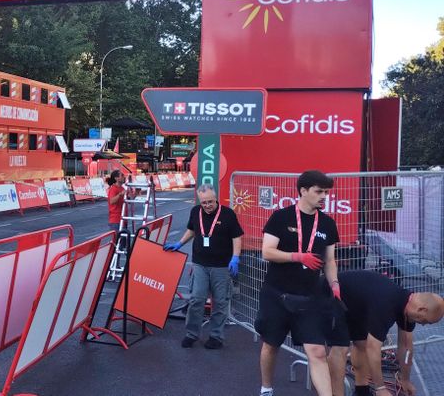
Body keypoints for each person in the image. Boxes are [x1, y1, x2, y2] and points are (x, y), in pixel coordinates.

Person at [254, 170, 340, 396]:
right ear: (303, 191)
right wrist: (298, 256)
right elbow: (267, 252)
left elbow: (329, 260)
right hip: (277, 295)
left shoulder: (328, 224)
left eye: (326, 192)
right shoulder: (281, 217)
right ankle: (266, 388)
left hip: (309, 298)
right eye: (319, 191)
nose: (324, 196)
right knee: (271, 345)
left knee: (318, 352)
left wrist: (334, 284)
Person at [327, 270, 444, 396]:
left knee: (361, 343)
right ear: (421, 309)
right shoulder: (387, 305)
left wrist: (405, 379)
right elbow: (373, 348)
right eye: (425, 321)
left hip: (353, 303)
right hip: (329, 296)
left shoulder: (408, 308)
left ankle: (362, 391)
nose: (423, 324)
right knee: (341, 349)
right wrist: (380, 387)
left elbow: (406, 347)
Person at [164, 184, 243, 349]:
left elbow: (237, 237)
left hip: (221, 266)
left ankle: (216, 337)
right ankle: (191, 334)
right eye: (204, 202)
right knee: (196, 300)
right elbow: (192, 230)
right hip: (200, 264)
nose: (207, 205)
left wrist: (235, 257)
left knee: (220, 302)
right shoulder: (195, 212)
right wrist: (179, 243)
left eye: (210, 202)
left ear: (216, 199)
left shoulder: (228, 214)